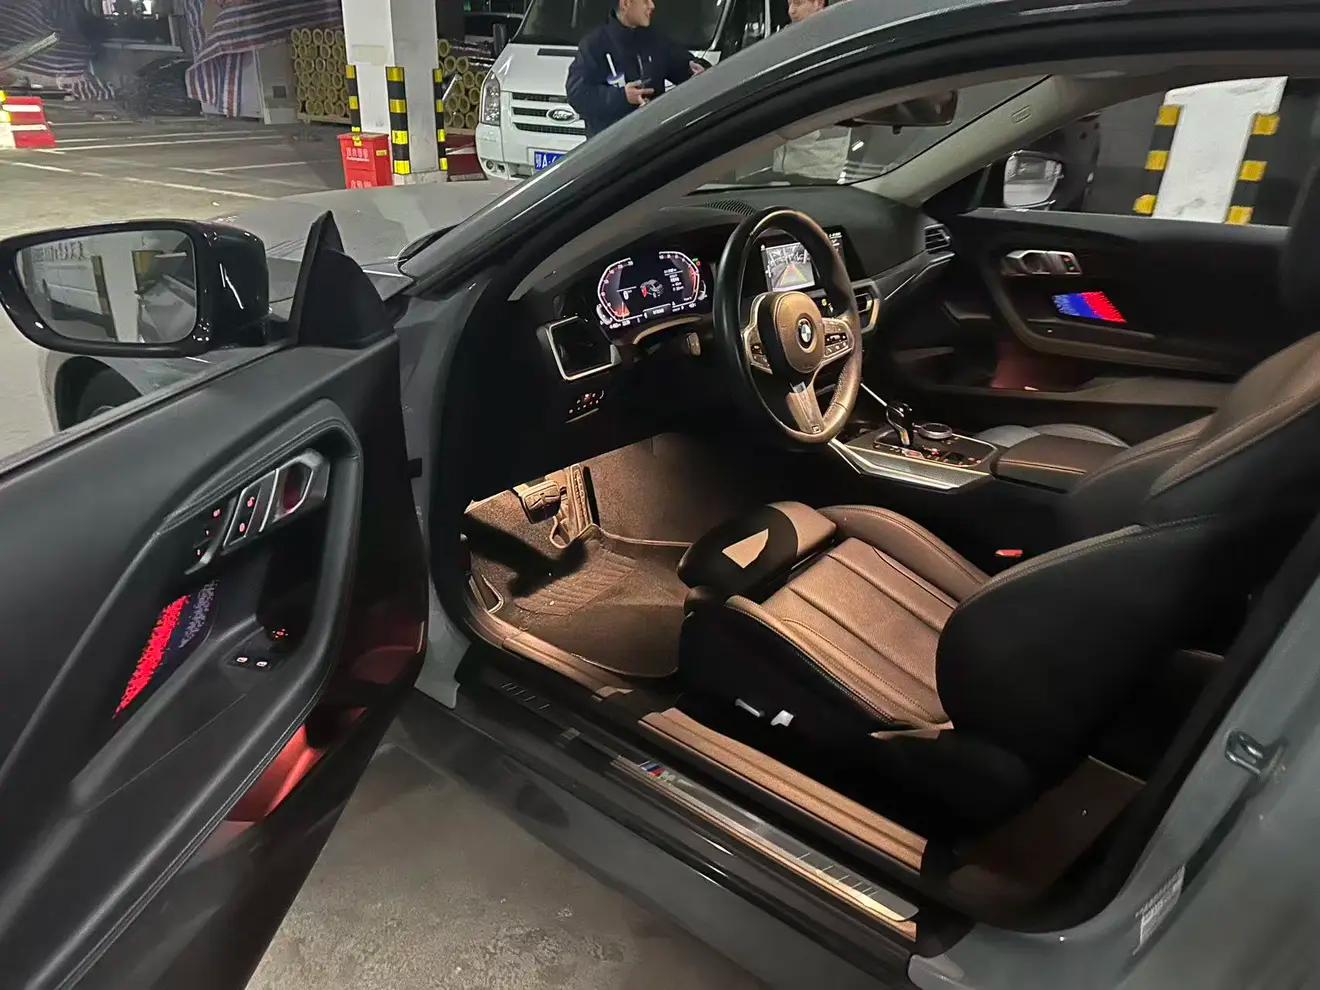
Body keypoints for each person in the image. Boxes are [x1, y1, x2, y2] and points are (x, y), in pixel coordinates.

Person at [566, 0, 706, 139]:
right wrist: (623, 97)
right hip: (611, 146)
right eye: (645, 1)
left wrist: (698, 71)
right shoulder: (594, 46)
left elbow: (683, 65)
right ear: (625, 4)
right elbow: (577, 94)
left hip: (653, 141)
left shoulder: (655, 40)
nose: (652, 6)